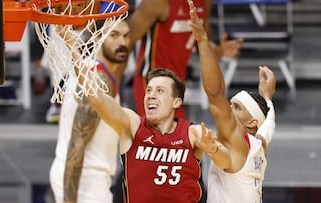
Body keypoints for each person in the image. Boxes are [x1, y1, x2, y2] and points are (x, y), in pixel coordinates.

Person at [71, 64, 229, 202]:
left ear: (176, 102)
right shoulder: (132, 125)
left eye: (160, 91)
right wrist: (72, 47)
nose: (151, 95)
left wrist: (213, 150)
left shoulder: (191, 132)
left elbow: (226, 163)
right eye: (149, 90)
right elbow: (97, 99)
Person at [188, 1, 276, 202]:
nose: (227, 109)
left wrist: (202, 41)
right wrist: (267, 98)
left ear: (251, 122)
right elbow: (269, 126)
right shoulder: (259, 145)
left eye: (236, 107)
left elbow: (215, 93)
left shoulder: (238, 141)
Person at [49, 20, 131, 203]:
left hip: (80, 176)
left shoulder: (89, 70)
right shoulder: (100, 81)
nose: (123, 43)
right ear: (99, 37)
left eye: (126, 36)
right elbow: (76, 142)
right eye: (115, 35)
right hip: (85, 182)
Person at [128, 0, 243, 119]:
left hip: (177, 85)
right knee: (164, 134)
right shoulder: (158, 3)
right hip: (152, 82)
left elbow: (202, 44)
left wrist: (220, 51)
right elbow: (126, 40)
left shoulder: (204, 3)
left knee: (177, 134)